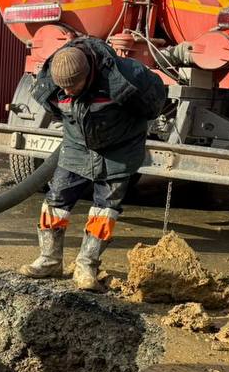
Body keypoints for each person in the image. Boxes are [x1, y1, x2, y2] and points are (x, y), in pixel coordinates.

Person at [19, 37, 168, 290]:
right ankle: (49, 260)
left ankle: (86, 265)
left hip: (120, 149)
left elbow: (153, 107)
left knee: (105, 208)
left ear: (88, 75)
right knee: (56, 201)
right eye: (62, 87)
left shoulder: (128, 77)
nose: (66, 92)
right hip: (78, 146)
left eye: (72, 86)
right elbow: (57, 109)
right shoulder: (50, 82)